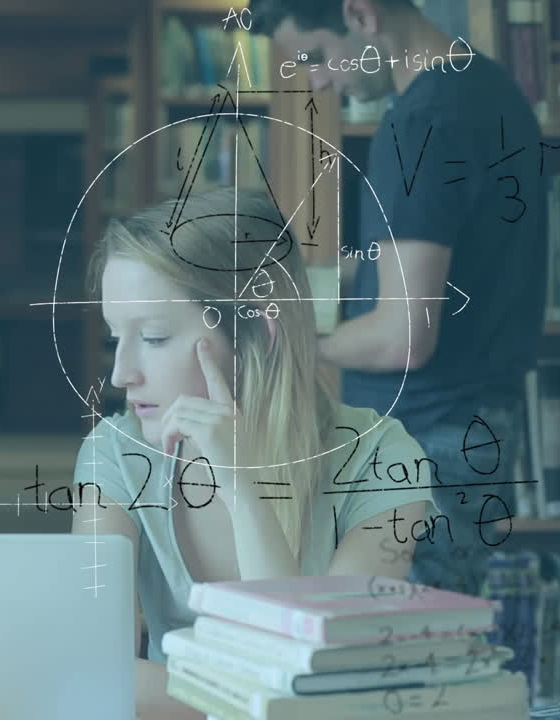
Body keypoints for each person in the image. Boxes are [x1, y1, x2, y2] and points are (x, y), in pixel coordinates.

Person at [75, 188, 436, 720]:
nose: (121, 374)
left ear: (257, 335)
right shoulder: (116, 452)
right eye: (115, 340)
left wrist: (242, 486)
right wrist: (253, 699)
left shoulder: (383, 459)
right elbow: (94, 670)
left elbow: (320, 679)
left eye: (152, 337)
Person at [252, 0, 546, 596]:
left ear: (360, 16)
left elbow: (402, 337)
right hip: (470, 426)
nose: (318, 79)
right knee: (422, 643)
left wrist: (288, 338)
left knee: (386, 648)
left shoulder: (423, 124)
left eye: (316, 55)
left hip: (425, 438)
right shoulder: (492, 89)